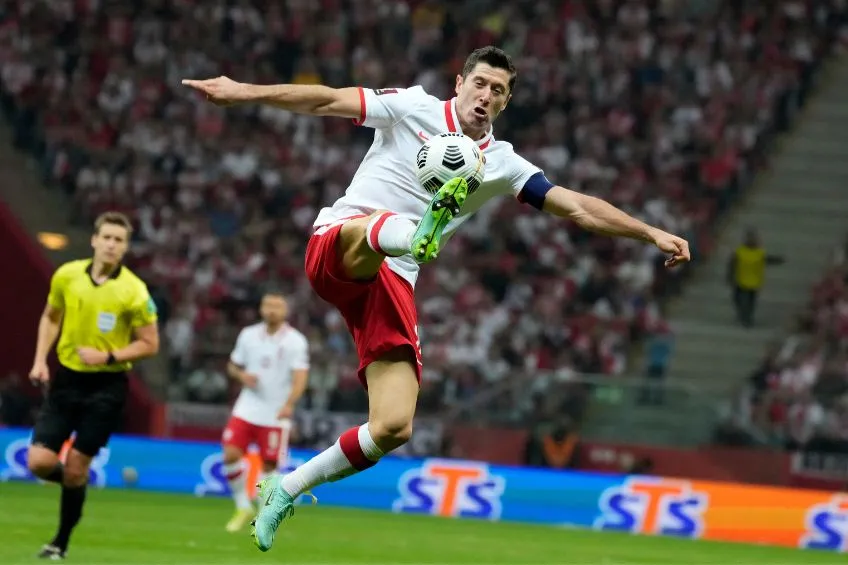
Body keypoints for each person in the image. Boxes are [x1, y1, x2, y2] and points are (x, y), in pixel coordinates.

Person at [183, 45, 691, 551]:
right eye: (480, 84)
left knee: (393, 426)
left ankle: (286, 488)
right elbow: (325, 101)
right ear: (459, 83)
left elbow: (578, 207)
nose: (486, 95)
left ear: (505, 103)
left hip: (393, 283)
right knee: (378, 232)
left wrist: (650, 233)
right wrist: (243, 92)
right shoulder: (412, 107)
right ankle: (412, 231)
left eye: (498, 90)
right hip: (343, 242)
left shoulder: (503, 163)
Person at [26, 211, 160, 560]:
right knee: (39, 462)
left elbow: (149, 343)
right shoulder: (67, 276)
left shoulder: (134, 291)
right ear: (94, 240)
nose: (112, 245)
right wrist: (40, 360)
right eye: (107, 238)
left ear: (126, 247)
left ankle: (60, 542)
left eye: (119, 240)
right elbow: (50, 316)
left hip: (106, 387)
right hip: (66, 381)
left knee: (76, 464)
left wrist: (109, 356)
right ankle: (76, 483)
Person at [221, 291, 310, 533]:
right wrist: (241, 375)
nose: (272, 310)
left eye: (277, 306)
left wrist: (289, 404)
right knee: (230, 454)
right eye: (268, 305)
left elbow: (300, 377)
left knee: (270, 465)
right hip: (247, 407)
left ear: (285, 311)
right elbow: (232, 365)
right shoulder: (248, 335)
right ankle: (242, 506)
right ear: (261, 308)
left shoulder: (295, 341)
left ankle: (262, 515)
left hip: (275, 413)